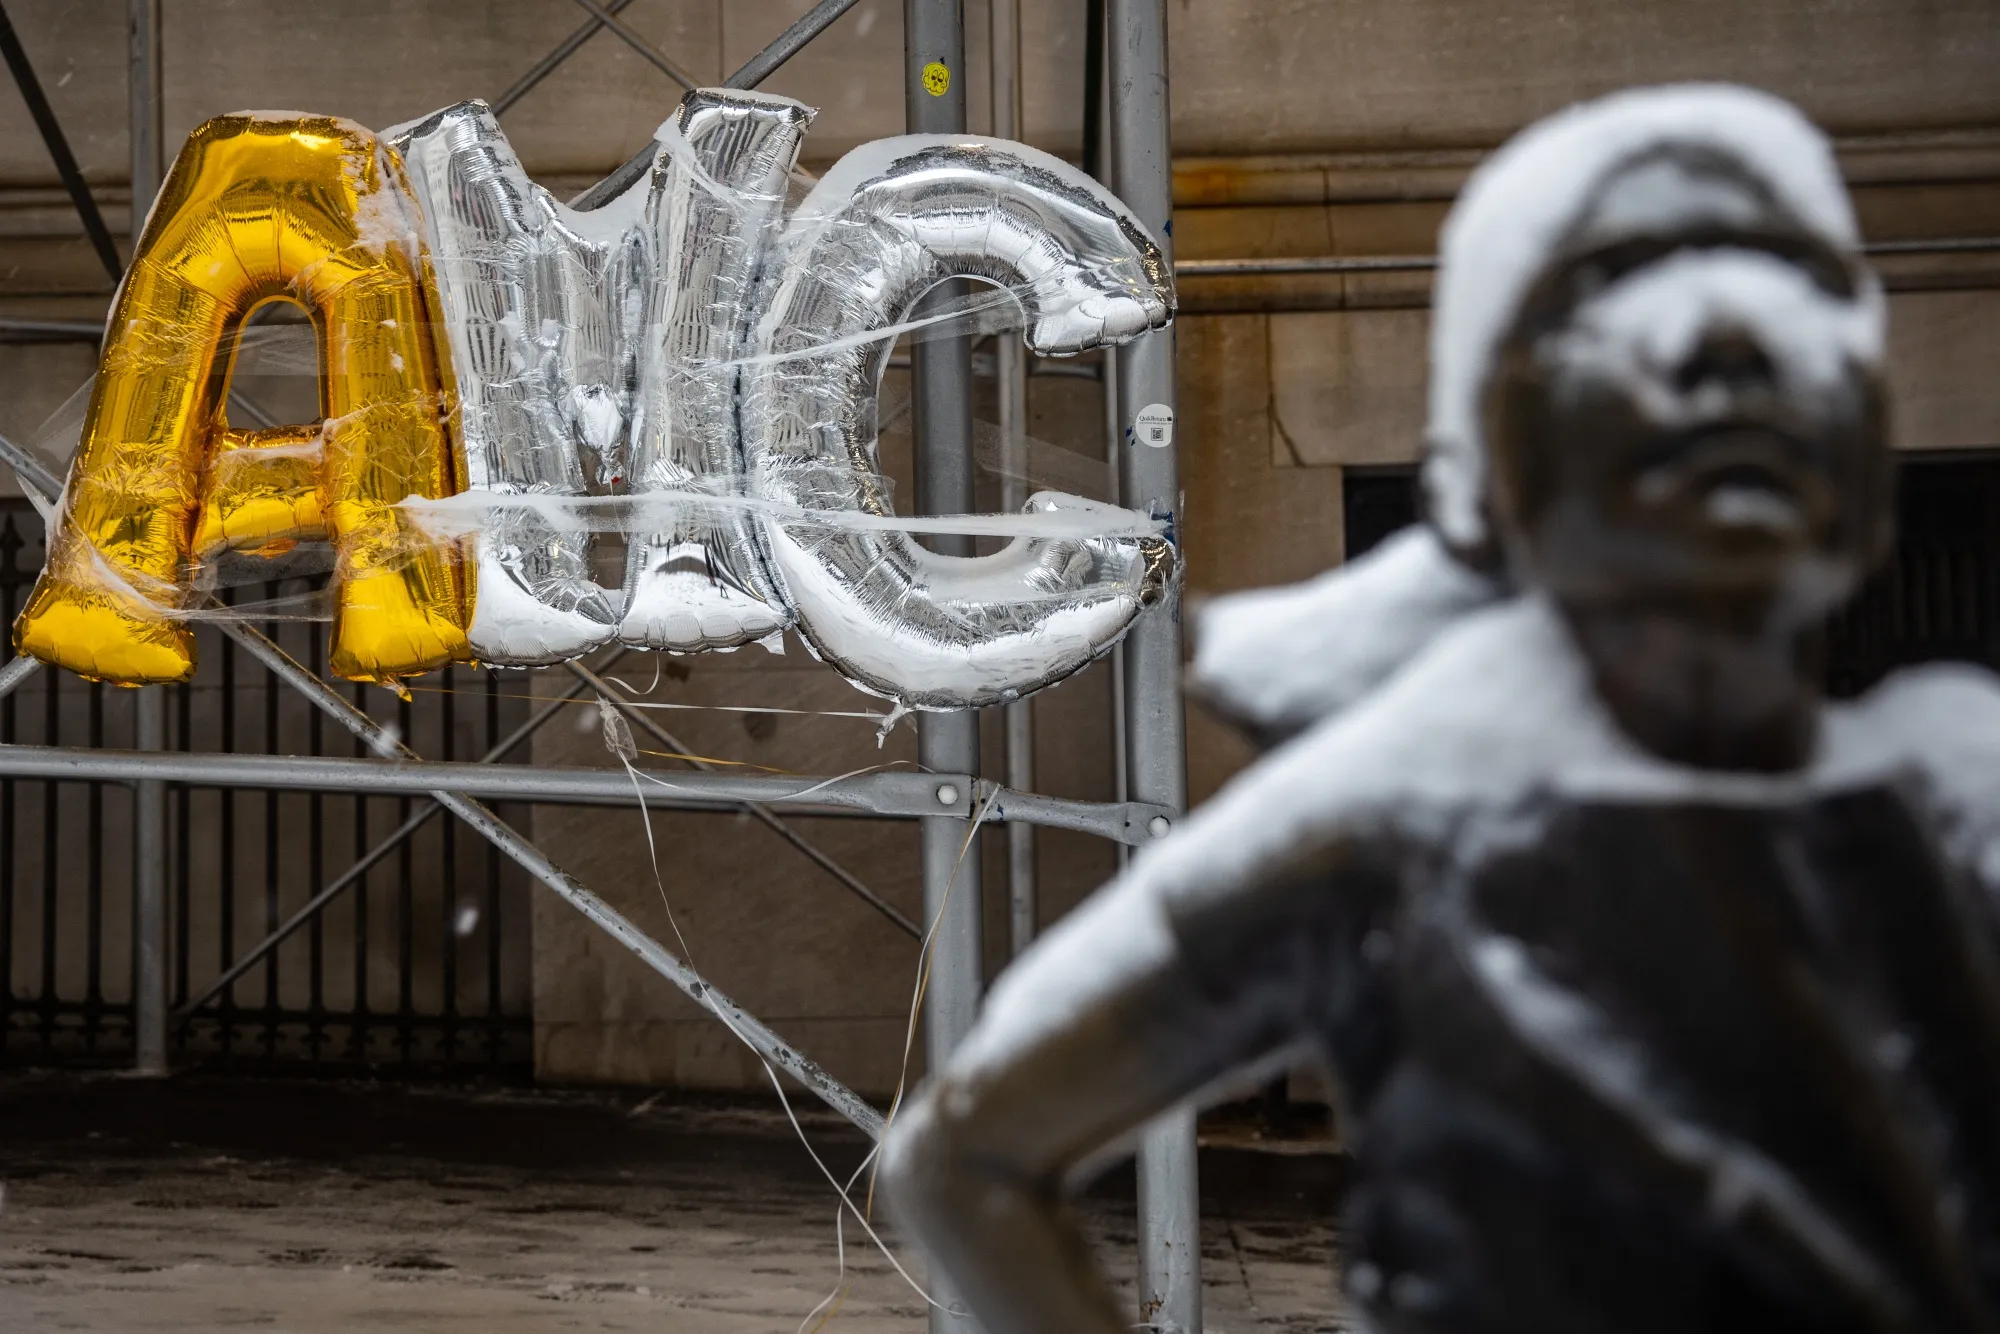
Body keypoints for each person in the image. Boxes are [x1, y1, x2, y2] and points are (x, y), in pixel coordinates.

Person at [880, 84, 2000, 1334]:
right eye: (1612, 282)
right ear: (1484, 467)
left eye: (1793, 276)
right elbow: (967, 1159)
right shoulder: (1401, 811)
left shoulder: (1955, 794)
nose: (1729, 333)